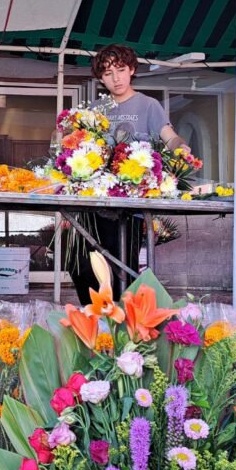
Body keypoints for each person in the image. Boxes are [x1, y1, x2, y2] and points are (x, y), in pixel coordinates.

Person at [69, 43, 189, 304]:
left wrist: (180, 147)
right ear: (100, 78)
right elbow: (80, 146)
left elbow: (169, 137)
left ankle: (126, 326)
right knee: (79, 263)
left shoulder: (148, 105)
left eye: (121, 70)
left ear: (132, 70)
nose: (116, 78)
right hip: (94, 202)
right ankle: (97, 318)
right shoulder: (97, 111)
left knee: (123, 266)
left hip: (130, 203)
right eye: (108, 73)